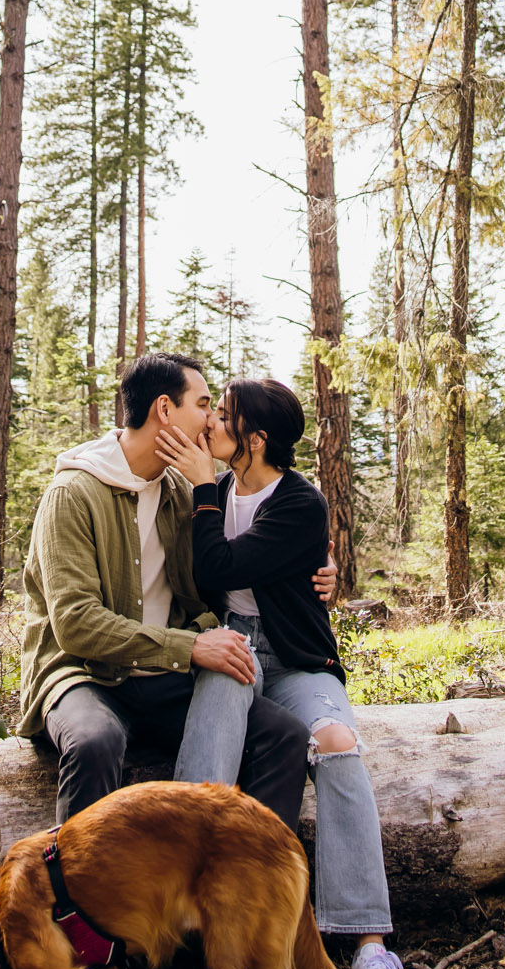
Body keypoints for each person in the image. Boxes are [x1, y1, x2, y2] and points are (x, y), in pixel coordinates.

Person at [156, 376, 414, 969]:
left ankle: (369, 944)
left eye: (224, 417)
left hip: (295, 654)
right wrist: (206, 491)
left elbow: (222, 569)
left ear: (255, 439)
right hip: (228, 644)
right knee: (216, 700)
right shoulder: (214, 489)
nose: (210, 423)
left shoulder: (301, 504)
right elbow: (202, 579)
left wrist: (204, 493)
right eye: (211, 412)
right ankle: (188, 914)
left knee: (337, 743)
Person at [18, 351, 310, 831]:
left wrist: (320, 564)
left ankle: (243, 884)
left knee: (284, 736)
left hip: (160, 675)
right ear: (164, 410)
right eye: (204, 404)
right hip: (84, 674)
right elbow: (75, 624)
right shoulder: (74, 494)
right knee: (95, 741)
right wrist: (192, 646)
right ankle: (85, 898)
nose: (214, 419)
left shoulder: (183, 489)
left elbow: (257, 525)